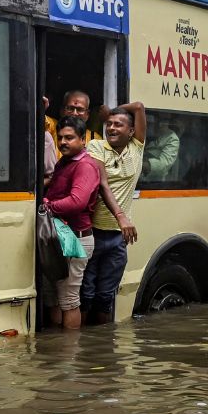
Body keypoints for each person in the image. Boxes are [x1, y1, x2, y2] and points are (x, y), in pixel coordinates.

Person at [82, 102, 146, 324]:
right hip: (92, 233)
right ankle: (77, 349)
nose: (111, 128)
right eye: (108, 124)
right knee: (85, 295)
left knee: (106, 297)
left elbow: (138, 106)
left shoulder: (137, 148)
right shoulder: (96, 146)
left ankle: (102, 349)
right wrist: (121, 216)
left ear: (131, 132)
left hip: (118, 239)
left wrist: (112, 111)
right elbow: (102, 183)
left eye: (118, 125)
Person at [43, 116, 100, 330]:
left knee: (68, 300)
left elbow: (77, 201)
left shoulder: (85, 165)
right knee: (53, 297)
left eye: (70, 137)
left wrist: (47, 205)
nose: (63, 142)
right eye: (60, 138)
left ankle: (70, 354)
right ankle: (57, 353)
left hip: (76, 239)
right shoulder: (63, 163)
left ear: (82, 140)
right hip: (58, 237)